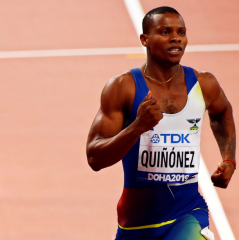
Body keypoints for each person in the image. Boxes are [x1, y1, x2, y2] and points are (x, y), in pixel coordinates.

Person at [86, 6, 235, 240]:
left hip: (188, 212)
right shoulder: (123, 87)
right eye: (165, 32)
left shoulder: (204, 84)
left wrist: (228, 158)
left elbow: (222, 112)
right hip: (136, 222)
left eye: (181, 32)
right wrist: (137, 127)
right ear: (145, 39)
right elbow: (95, 158)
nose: (176, 37)